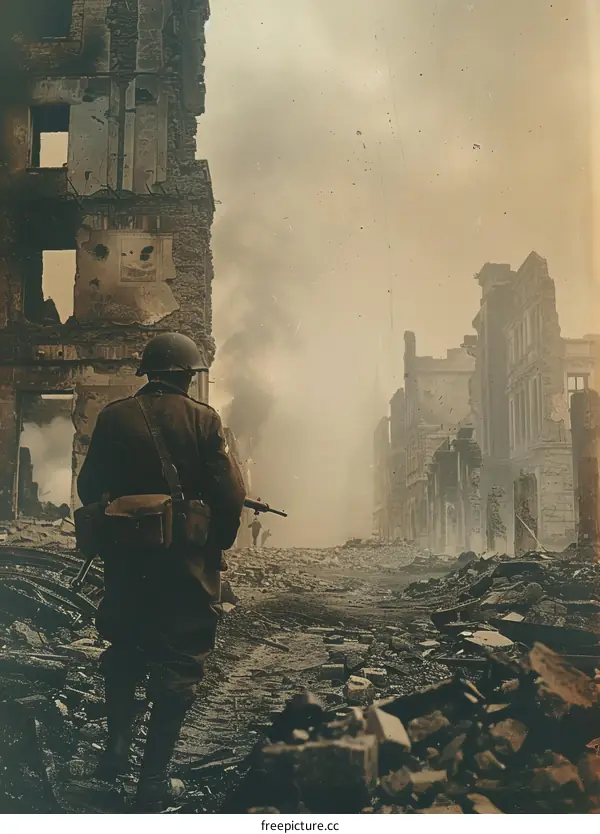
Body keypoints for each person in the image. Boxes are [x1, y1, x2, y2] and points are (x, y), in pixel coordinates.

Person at [77, 332, 246, 812]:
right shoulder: (204, 419)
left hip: (127, 560)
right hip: (183, 564)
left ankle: (115, 751)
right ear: (187, 375)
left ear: (149, 372)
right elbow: (230, 495)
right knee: (181, 659)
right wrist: (214, 543)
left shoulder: (113, 416)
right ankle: (152, 780)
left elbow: (89, 486)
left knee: (125, 647)